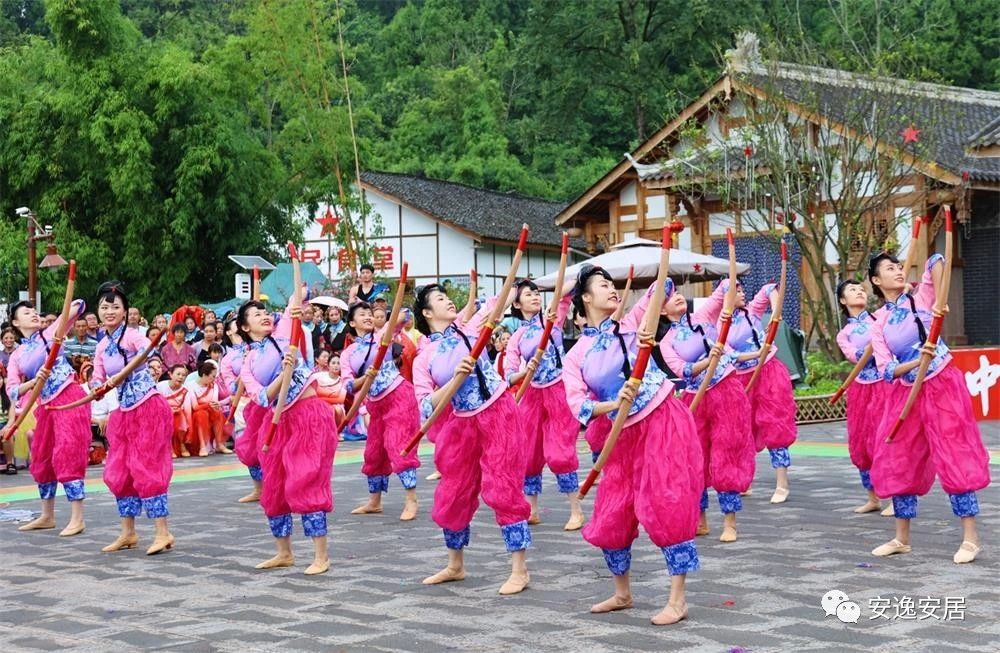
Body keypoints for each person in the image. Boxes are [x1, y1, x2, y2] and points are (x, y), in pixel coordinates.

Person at [562, 267, 703, 625]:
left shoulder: (631, 324)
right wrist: (612, 403)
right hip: (621, 434)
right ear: (585, 299)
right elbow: (578, 405)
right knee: (612, 511)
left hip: (661, 419)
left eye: (613, 284)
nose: (611, 289)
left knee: (666, 502)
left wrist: (658, 280)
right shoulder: (575, 356)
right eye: (602, 285)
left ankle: (678, 600)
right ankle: (622, 593)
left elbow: (662, 287)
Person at [867, 252, 990, 564]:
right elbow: (886, 369)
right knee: (898, 457)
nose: (897, 271)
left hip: (941, 385)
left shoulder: (920, 298)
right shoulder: (879, 322)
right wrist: (915, 361)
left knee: (954, 453)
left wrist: (939, 301)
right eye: (889, 269)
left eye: (899, 266)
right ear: (876, 281)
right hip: (906, 393)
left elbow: (937, 260)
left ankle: (970, 538)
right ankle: (901, 538)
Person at [412, 283, 532, 595]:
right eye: (440, 299)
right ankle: (455, 565)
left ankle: (519, 570)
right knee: (453, 491)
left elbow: (497, 303)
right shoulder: (423, 359)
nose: (449, 301)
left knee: (503, 487)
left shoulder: (469, 328)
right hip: (462, 422)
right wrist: (454, 380)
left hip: (498, 411)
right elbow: (425, 405)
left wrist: (514, 288)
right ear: (427, 313)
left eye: (448, 297)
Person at [239, 296, 336, 575]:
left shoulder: (285, 334)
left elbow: (296, 303)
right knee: (274, 486)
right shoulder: (248, 362)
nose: (263, 316)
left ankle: (321, 556)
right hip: (277, 421)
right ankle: (284, 552)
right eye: (256, 314)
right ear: (245, 327)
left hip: (308, 415)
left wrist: (297, 302)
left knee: (306, 478)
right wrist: (283, 375)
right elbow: (260, 397)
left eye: (264, 311)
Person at [657, 284, 755, 542]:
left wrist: (729, 282)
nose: (677, 296)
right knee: (695, 457)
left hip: (726, 391)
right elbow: (682, 370)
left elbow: (722, 292)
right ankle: (700, 519)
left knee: (726, 452)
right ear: (661, 310)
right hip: (696, 397)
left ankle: (730, 522)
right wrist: (705, 361)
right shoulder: (666, 342)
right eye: (669, 297)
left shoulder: (702, 316)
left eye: (677, 292)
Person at [91, 282, 175, 555]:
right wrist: (97, 387)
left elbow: (147, 352)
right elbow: (98, 376)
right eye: (104, 307)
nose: (109, 311)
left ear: (125, 311)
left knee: (147, 467)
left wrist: (124, 373)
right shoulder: (102, 346)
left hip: (147, 407)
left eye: (115, 307)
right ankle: (128, 532)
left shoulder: (133, 335)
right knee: (119, 471)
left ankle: (162, 532)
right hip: (124, 412)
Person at [701, 279, 797, 503]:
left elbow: (769, 289)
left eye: (742, 289)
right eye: (737, 291)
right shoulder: (716, 326)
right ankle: (745, 478)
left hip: (768, 372)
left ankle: (782, 483)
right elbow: (729, 354)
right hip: (741, 378)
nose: (742, 294)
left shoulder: (751, 311)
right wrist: (757, 354)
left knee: (775, 425)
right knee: (743, 429)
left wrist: (775, 313)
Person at [5, 298, 91, 537]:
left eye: (34, 311)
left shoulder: (51, 333)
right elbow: (12, 390)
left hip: (69, 397)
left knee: (68, 451)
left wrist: (72, 307)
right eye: (26, 312)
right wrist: (34, 382)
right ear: (15, 322)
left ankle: (77, 518)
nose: (33, 314)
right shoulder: (18, 355)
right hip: (47, 405)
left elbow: (78, 306)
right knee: (42, 456)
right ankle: (47, 515)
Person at [503, 280, 584, 531]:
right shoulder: (516, 337)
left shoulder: (552, 318)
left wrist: (553, 291)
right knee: (528, 454)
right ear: (517, 304)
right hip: (532, 395)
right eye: (528, 294)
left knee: (559, 453)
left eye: (536, 293)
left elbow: (569, 289)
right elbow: (508, 374)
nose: (535, 297)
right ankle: (532, 509)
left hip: (559, 390)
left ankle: (576, 510)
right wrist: (524, 371)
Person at [341, 302, 421, 521]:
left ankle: (411, 499)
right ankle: (374, 502)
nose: (368, 317)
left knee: (399, 446)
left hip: (399, 396)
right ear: (352, 323)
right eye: (362, 314)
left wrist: (396, 317)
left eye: (369, 314)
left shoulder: (382, 336)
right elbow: (349, 385)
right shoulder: (348, 353)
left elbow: (404, 316)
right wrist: (365, 378)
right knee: (373, 452)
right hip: (376, 405)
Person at [835, 279, 890, 514]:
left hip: (885, 383)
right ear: (843, 300)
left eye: (861, 289)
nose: (859, 292)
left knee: (886, 438)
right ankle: (873, 497)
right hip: (861, 389)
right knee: (862, 441)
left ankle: (895, 496)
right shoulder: (844, 334)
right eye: (852, 290)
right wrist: (871, 346)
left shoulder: (880, 317)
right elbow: (855, 356)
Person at [190, 361, 230, 456]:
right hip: (197, 412)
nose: (214, 379)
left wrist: (214, 405)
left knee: (217, 412)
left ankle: (219, 444)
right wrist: (207, 405)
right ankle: (202, 446)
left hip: (211, 410)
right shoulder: (191, 386)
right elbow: (195, 406)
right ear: (204, 375)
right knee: (201, 415)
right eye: (213, 376)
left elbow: (214, 402)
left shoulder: (214, 385)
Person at [157, 365, 193, 458]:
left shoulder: (185, 390)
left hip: (178, 413)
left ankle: (182, 444)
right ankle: (169, 446)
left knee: (180, 417)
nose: (181, 377)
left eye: (183, 375)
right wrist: (168, 411)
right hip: (162, 413)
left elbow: (187, 409)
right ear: (170, 374)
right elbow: (156, 405)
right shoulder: (160, 386)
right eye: (178, 374)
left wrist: (190, 427)